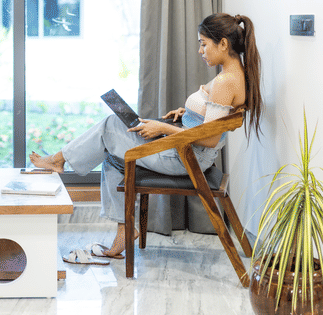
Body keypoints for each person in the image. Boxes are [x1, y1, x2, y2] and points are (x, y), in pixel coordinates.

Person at [30, 13, 262, 259]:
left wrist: (163, 128)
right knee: (113, 156)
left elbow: (210, 139)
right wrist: (187, 113)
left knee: (110, 126)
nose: (200, 50)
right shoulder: (234, 73)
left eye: (204, 43)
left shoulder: (227, 80)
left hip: (186, 157)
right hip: (186, 150)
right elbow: (212, 121)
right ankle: (124, 231)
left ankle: (59, 160)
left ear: (223, 44)